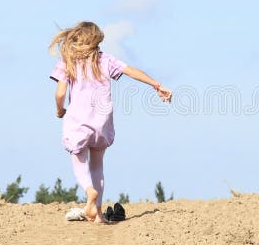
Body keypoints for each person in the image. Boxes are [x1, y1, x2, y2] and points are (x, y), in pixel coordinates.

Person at [49, 21, 172, 224]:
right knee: (97, 166)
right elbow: (131, 71)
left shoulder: (68, 62)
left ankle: (90, 193)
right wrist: (156, 85)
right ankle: (97, 215)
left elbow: (60, 92)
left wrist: (59, 109)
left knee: (79, 160)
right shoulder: (104, 60)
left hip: (78, 122)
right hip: (102, 122)